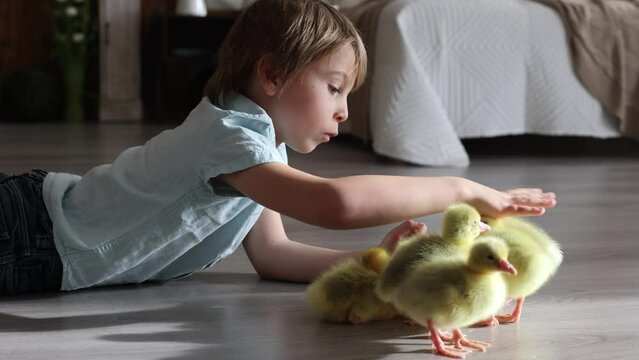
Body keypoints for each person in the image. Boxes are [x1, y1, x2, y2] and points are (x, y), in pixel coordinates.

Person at [0, 0, 556, 296]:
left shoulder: (260, 147)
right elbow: (334, 206)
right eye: (334, 88)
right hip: (29, 233)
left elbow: (273, 255)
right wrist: (463, 188)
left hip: (45, 234)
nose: (343, 110)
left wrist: (379, 265)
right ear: (271, 74)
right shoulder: (230, 139)